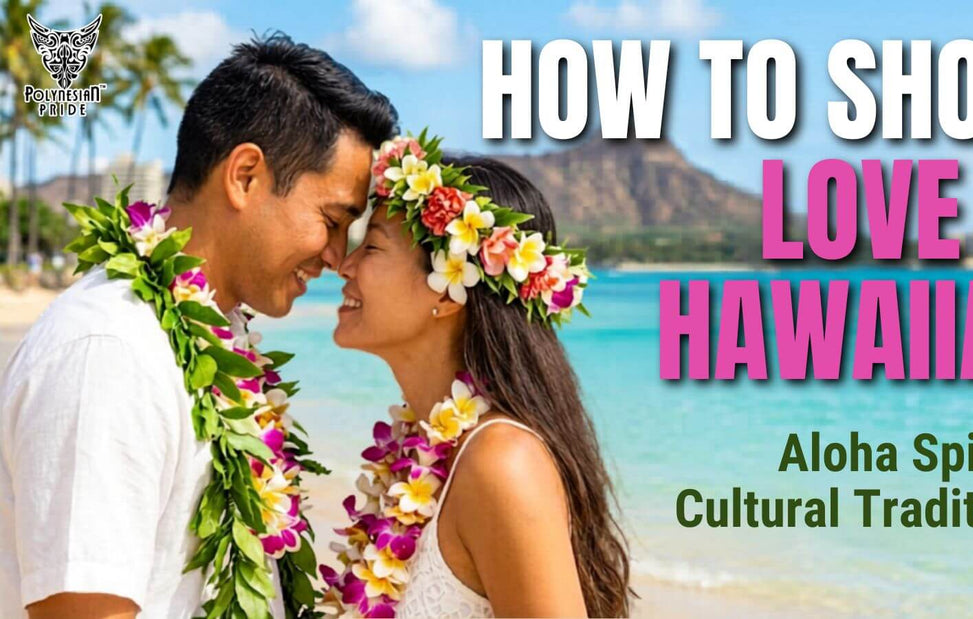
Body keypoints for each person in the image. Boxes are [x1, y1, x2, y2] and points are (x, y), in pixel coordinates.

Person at [0, 33, 396, 618]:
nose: (337, 255)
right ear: (244, 176)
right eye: (332, 220)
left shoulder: (209, 333)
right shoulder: (111, 352)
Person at [328, 154, 633, 617]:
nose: (344, 266)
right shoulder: (420, 449)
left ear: (447, 289)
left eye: (370, 248)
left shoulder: (501, 462)